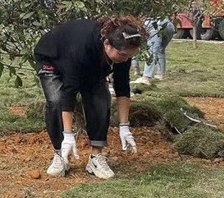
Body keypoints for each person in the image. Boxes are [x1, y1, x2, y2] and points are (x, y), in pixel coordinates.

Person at [33, 16, 145, 180]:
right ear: (107, 44)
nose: (126, 59)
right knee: (56, 100)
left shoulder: (123, 51)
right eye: (122, 55)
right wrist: (68, 135)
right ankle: (60, 154)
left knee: (100, 97)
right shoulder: (81, 48)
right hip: (51, 57)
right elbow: (69, 91)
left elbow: (122, 86)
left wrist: (124, 126)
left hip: (87, 60)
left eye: (130, 56)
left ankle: (96, 157)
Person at [133, 17, 175, 86]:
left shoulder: (137, 24)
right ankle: (161, 74)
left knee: (152, 51)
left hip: (153, 26)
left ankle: (146, 78)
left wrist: (136, 70)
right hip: (169, 25)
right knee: (160, 50)